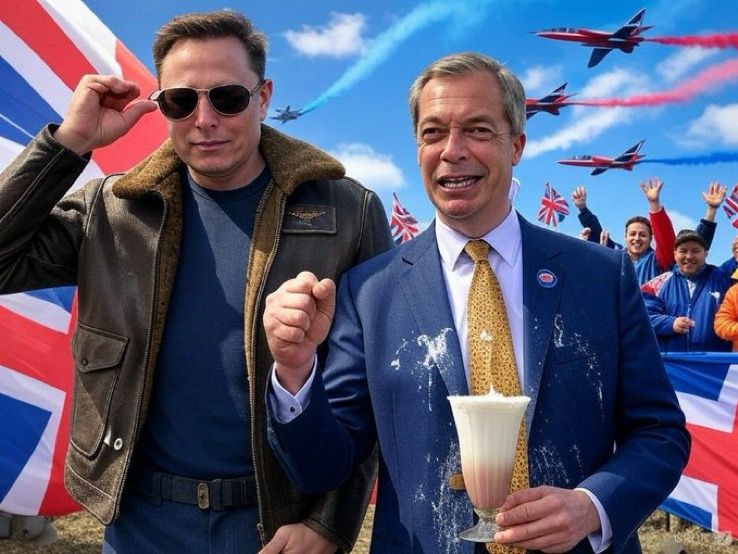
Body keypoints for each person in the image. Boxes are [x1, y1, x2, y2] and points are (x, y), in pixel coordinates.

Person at [0, 10, 394, 553]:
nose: (203, 119)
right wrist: (68, 143)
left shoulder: (348, 212)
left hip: (275, 523)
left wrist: (329, 523)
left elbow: (374, 384)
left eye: (227, 98)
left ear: (263, 97)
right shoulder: (110, 210)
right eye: (181, 101)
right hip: (141, 524)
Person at [263, 53, 690, 553]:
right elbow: (324, 466)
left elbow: (660, 433)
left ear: (517, 145)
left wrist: (592, 506)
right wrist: (295, 372)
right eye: (433, 133)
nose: (452, 150)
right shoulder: (368, 291)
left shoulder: (602, 275)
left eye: (478, 130)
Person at [572, 180, 726, 285]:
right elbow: (596, 232)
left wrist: (654, 204)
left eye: (643, 235)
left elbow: (690, 242)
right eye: (632, 234)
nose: (637, 238)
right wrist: (583, 209)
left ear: (651, 238)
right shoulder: (616, 254)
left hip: (649, 318)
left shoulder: (659, 260)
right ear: (625, 237)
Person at [642, 230, 732, 353]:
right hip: (674, 362)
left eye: (695, 251)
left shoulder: (723, 278)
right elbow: (643, 317)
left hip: (716, 362)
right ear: (675, 254)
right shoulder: (658, 283)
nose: (689, 256)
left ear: (706, 254)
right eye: (683, 251)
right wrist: (670, 323)